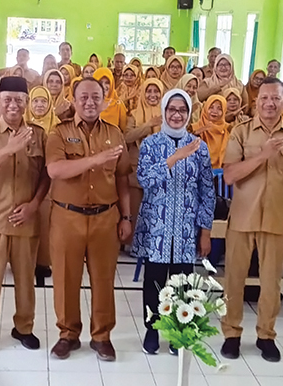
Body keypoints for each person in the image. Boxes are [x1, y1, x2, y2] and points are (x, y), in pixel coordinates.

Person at [219, 77, 283, 362]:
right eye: (264, 98)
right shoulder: (241, 132)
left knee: (272, 284)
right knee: (234, 280)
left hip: (277, 221)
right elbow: (231, 175)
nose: (269, 103)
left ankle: (265, 335)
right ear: (256, 101)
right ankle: (231, 334)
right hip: (243, 220)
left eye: (276, 98)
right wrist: (263, 155)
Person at [45, 77, 133, 361]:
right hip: (67, 216)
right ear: (73, 99)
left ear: (105, 100)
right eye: (83, 96)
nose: (90, 102)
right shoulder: (58, 133)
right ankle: (68, 334)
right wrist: (95, 160)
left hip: (105, 217)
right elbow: (55, 170)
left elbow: (122, 177)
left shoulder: (115, 134)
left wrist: (126, 217)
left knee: (104, 279)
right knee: (65, 278)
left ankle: (101, 336)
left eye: (96, 97)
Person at [0, 77, 50, 354]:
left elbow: (45, 177)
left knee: (26, 279)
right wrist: (8, 149)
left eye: (19, 99)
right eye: (7, 99)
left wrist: (34, 204)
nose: (13, 104)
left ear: (27, 103)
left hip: (27, 220)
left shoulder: (38, 134)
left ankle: (24, 327)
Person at [134, 89, 215, 355]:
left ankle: (179, 332)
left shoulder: (200, 146)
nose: (177, 115)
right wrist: (174, 159)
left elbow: (207, 190)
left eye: (182, 110)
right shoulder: (150, 144)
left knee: (183, 282)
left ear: (189, 113)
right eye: (172, 109)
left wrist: (205, 230)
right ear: (164, 112)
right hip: (156, 225)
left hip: (186, 228)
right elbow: (144, 180)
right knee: (155, 281)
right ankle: (152, 329)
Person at [26, 86, 60, 285]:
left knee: (46, 224)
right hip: (26, 181)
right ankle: (24, 262)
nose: (39, 105)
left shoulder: (57, 127)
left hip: (50, 183)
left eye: (43, 102)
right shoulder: (21, 125)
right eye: (35, 101)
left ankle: (43, 262)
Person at [125, 79, 166, 238]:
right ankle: (133, 243)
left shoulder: (167, 114)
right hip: (137, 169)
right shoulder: (134, 114)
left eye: (156, 91)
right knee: (136, 207)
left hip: (161, 168)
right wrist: (148, 125)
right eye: (149, 91)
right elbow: (127, 137)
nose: (152, 95)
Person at [193, 94, 229, 168]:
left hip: (222, 174)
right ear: (205, 108)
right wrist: (196, 133)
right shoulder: (193, 128)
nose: (214, 111)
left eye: (219, 109)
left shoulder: (229, 129)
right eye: (211, 107)